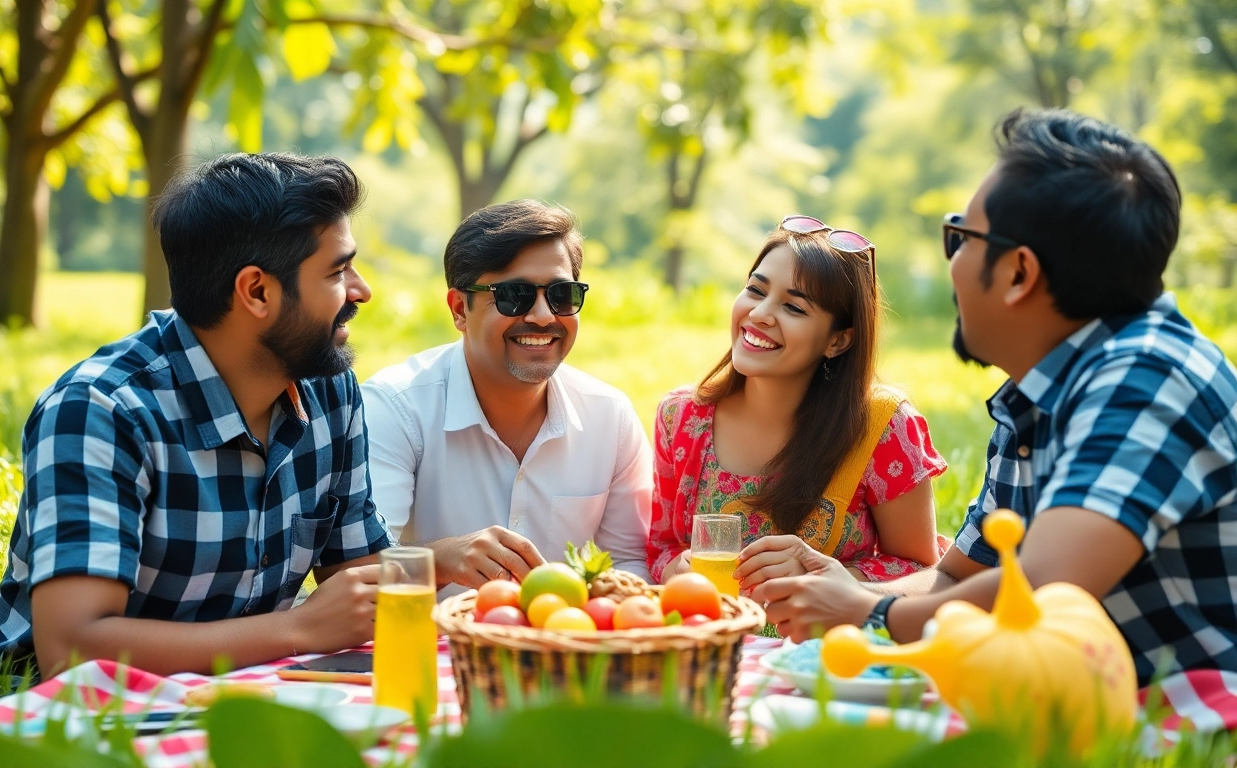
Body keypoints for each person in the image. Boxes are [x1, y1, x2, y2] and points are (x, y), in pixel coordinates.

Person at [750, 108, 1237, 689]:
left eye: (961, 238)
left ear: (1017, 273)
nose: (951, 263)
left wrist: (867, 613)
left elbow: (1046, 585)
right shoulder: (1036, 397)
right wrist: (843, 587)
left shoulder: (1151, 376)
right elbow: (956, 579)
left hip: (1191, 718)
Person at [0, 153, 392, 678]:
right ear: (257, 291)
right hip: (77, 721)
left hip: (240, 696)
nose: (361, 290)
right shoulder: (100, 411)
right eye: (338, 270)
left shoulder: (327, 389)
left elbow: (354, 581)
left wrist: (445, 565)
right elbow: (73, 650)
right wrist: (299, 630)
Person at [362, 200, 652, 593]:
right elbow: (354, 570)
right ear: (459, 309)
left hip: (563, 647)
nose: (543, 316)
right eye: (514, 295)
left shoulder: (609, 418)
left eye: (561, 295)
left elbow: (629, 562)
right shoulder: (396, 409)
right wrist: (442, 559)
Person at [648, 218, 948, 589]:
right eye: (756, 291)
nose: (759, 314)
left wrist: (824, 577)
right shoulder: (680, 417)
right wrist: (674, 568)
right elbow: (660, 548)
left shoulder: (882, 427)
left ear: (837, 341)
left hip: (824, 643)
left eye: (794, 308)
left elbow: (924, 572)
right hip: (713, 641)